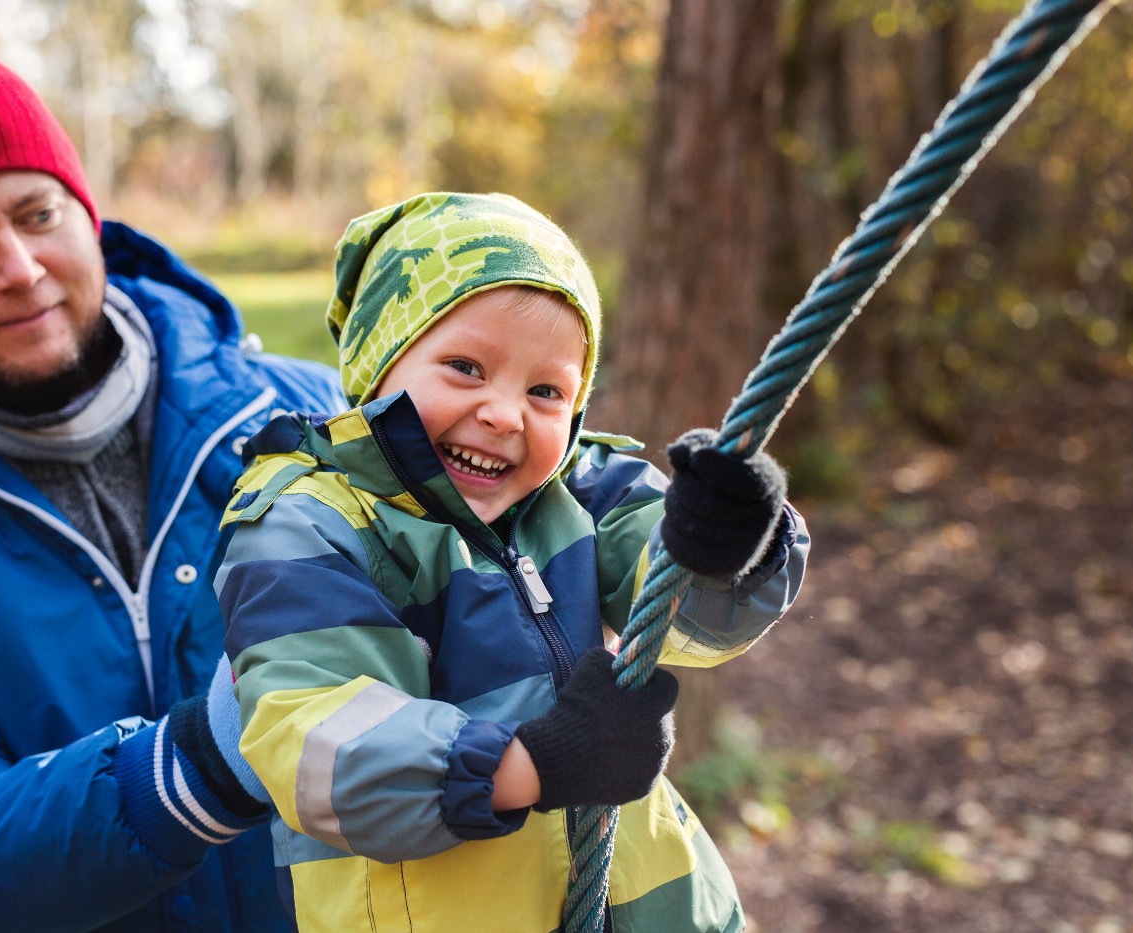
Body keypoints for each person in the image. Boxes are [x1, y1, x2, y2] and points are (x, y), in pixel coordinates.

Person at [0, 36, 347, 933]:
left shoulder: (315, 417)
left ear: (89, 218)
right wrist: (185, 774)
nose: (18, 266)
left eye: (38, 213)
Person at [191, 192, 810, 931]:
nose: (506, 413)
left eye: (546, 390)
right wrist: (532, 763)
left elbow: (692, 614)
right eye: (465, 367)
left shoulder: (578, 490)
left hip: (648, 901)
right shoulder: (310, 523)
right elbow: (318, 745)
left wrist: (733, 544)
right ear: (378, 363)